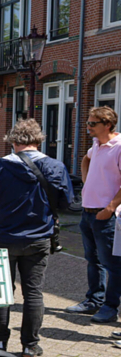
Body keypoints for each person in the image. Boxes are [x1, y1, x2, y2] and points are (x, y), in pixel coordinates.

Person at [0, 119, 73, 357]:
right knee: (33, 292)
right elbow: (66, 203)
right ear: (39, 141)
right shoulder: (55, 166)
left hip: (3, 237)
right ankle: (30, 345)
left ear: (13, 141)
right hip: (38, 238)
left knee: (1, 289)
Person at [66, 106, 121, 324]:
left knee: (112, 264)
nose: (87, 127)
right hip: (87, 213)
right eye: (88, 123)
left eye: (92, 123)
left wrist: (109, 208)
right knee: (92, 260)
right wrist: (87, 182)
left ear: (107, 124)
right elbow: (85, 160)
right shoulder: (96, 144)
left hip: (105, 215)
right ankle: (94, 300)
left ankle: (110, 307)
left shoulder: (118, 146)